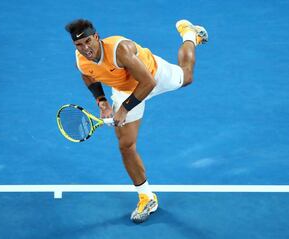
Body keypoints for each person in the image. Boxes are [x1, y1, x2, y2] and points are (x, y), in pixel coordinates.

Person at [65, 19, 208, 223]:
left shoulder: (119, 50)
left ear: (96, 37)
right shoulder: (81, 59)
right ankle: (147, 197)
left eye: (88, 41)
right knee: (126, 145)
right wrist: (102, 101)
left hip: (153, 74)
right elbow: (88, 76)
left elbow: (148, 83)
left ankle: (190, 35)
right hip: (125, 90)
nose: (85, 48)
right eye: (79, 45)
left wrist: (123, 109)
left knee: (187, 76)